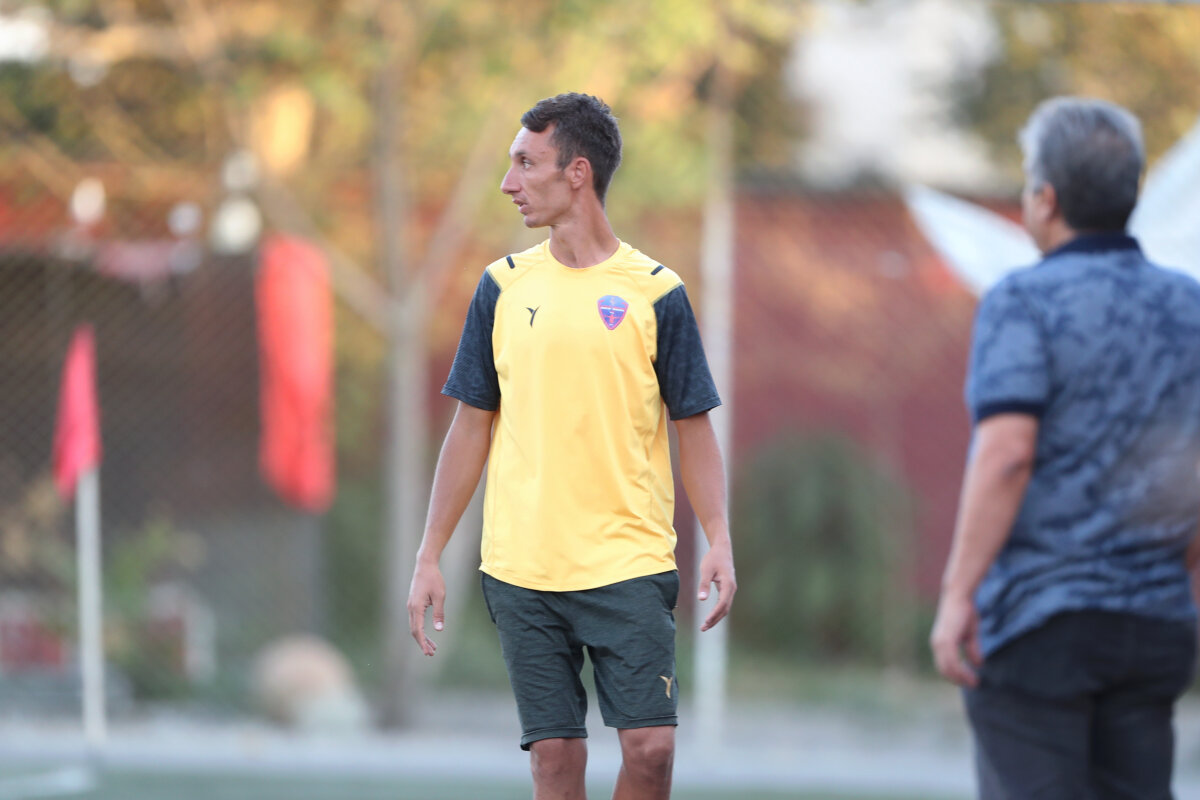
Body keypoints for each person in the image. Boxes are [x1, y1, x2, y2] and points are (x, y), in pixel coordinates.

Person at [407, 92, 736, 800]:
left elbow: (694, 427)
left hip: (629, 563)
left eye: (526, 163)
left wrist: (719, 537)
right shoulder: (501, 286)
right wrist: (429, 552)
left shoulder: (658, 293)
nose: (509, 182)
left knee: (652, 751)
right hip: (523, 568)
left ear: (577, 172)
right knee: (555, 760)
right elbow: (470, 426)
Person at [931, 96, 1200, 799]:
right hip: (1154, 626)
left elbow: (1007, 455)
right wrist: (1180, 578)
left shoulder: (1024, 301)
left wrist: (959, 595)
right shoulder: (1190, 307)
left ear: (1046, 199)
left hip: (1041, 623)